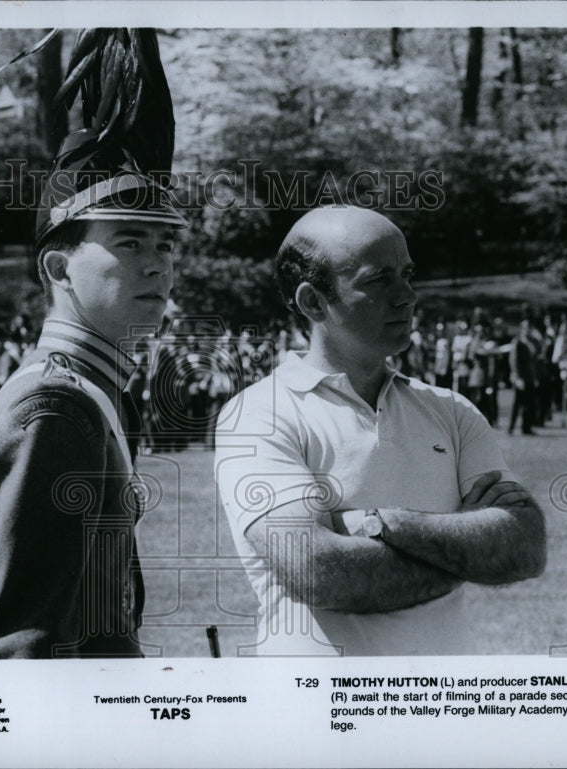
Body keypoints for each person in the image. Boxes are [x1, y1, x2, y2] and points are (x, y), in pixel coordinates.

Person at [215, 206, 545, 655]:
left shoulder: (451, 410)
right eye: (379, 279)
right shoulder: (258, 415)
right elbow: (318, 573)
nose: (407, 295)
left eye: (408, 275)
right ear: (313, 302)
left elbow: (522, 547)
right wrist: (465, 552)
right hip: (315, 715)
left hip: (441, 710)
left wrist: (386, 524)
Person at [0, 125, 189, 658]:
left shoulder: (94, 392)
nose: (158, 263)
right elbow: (27, 646)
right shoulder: (56, 407)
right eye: (129, 242)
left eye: (165, 243)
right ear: (59, 268)